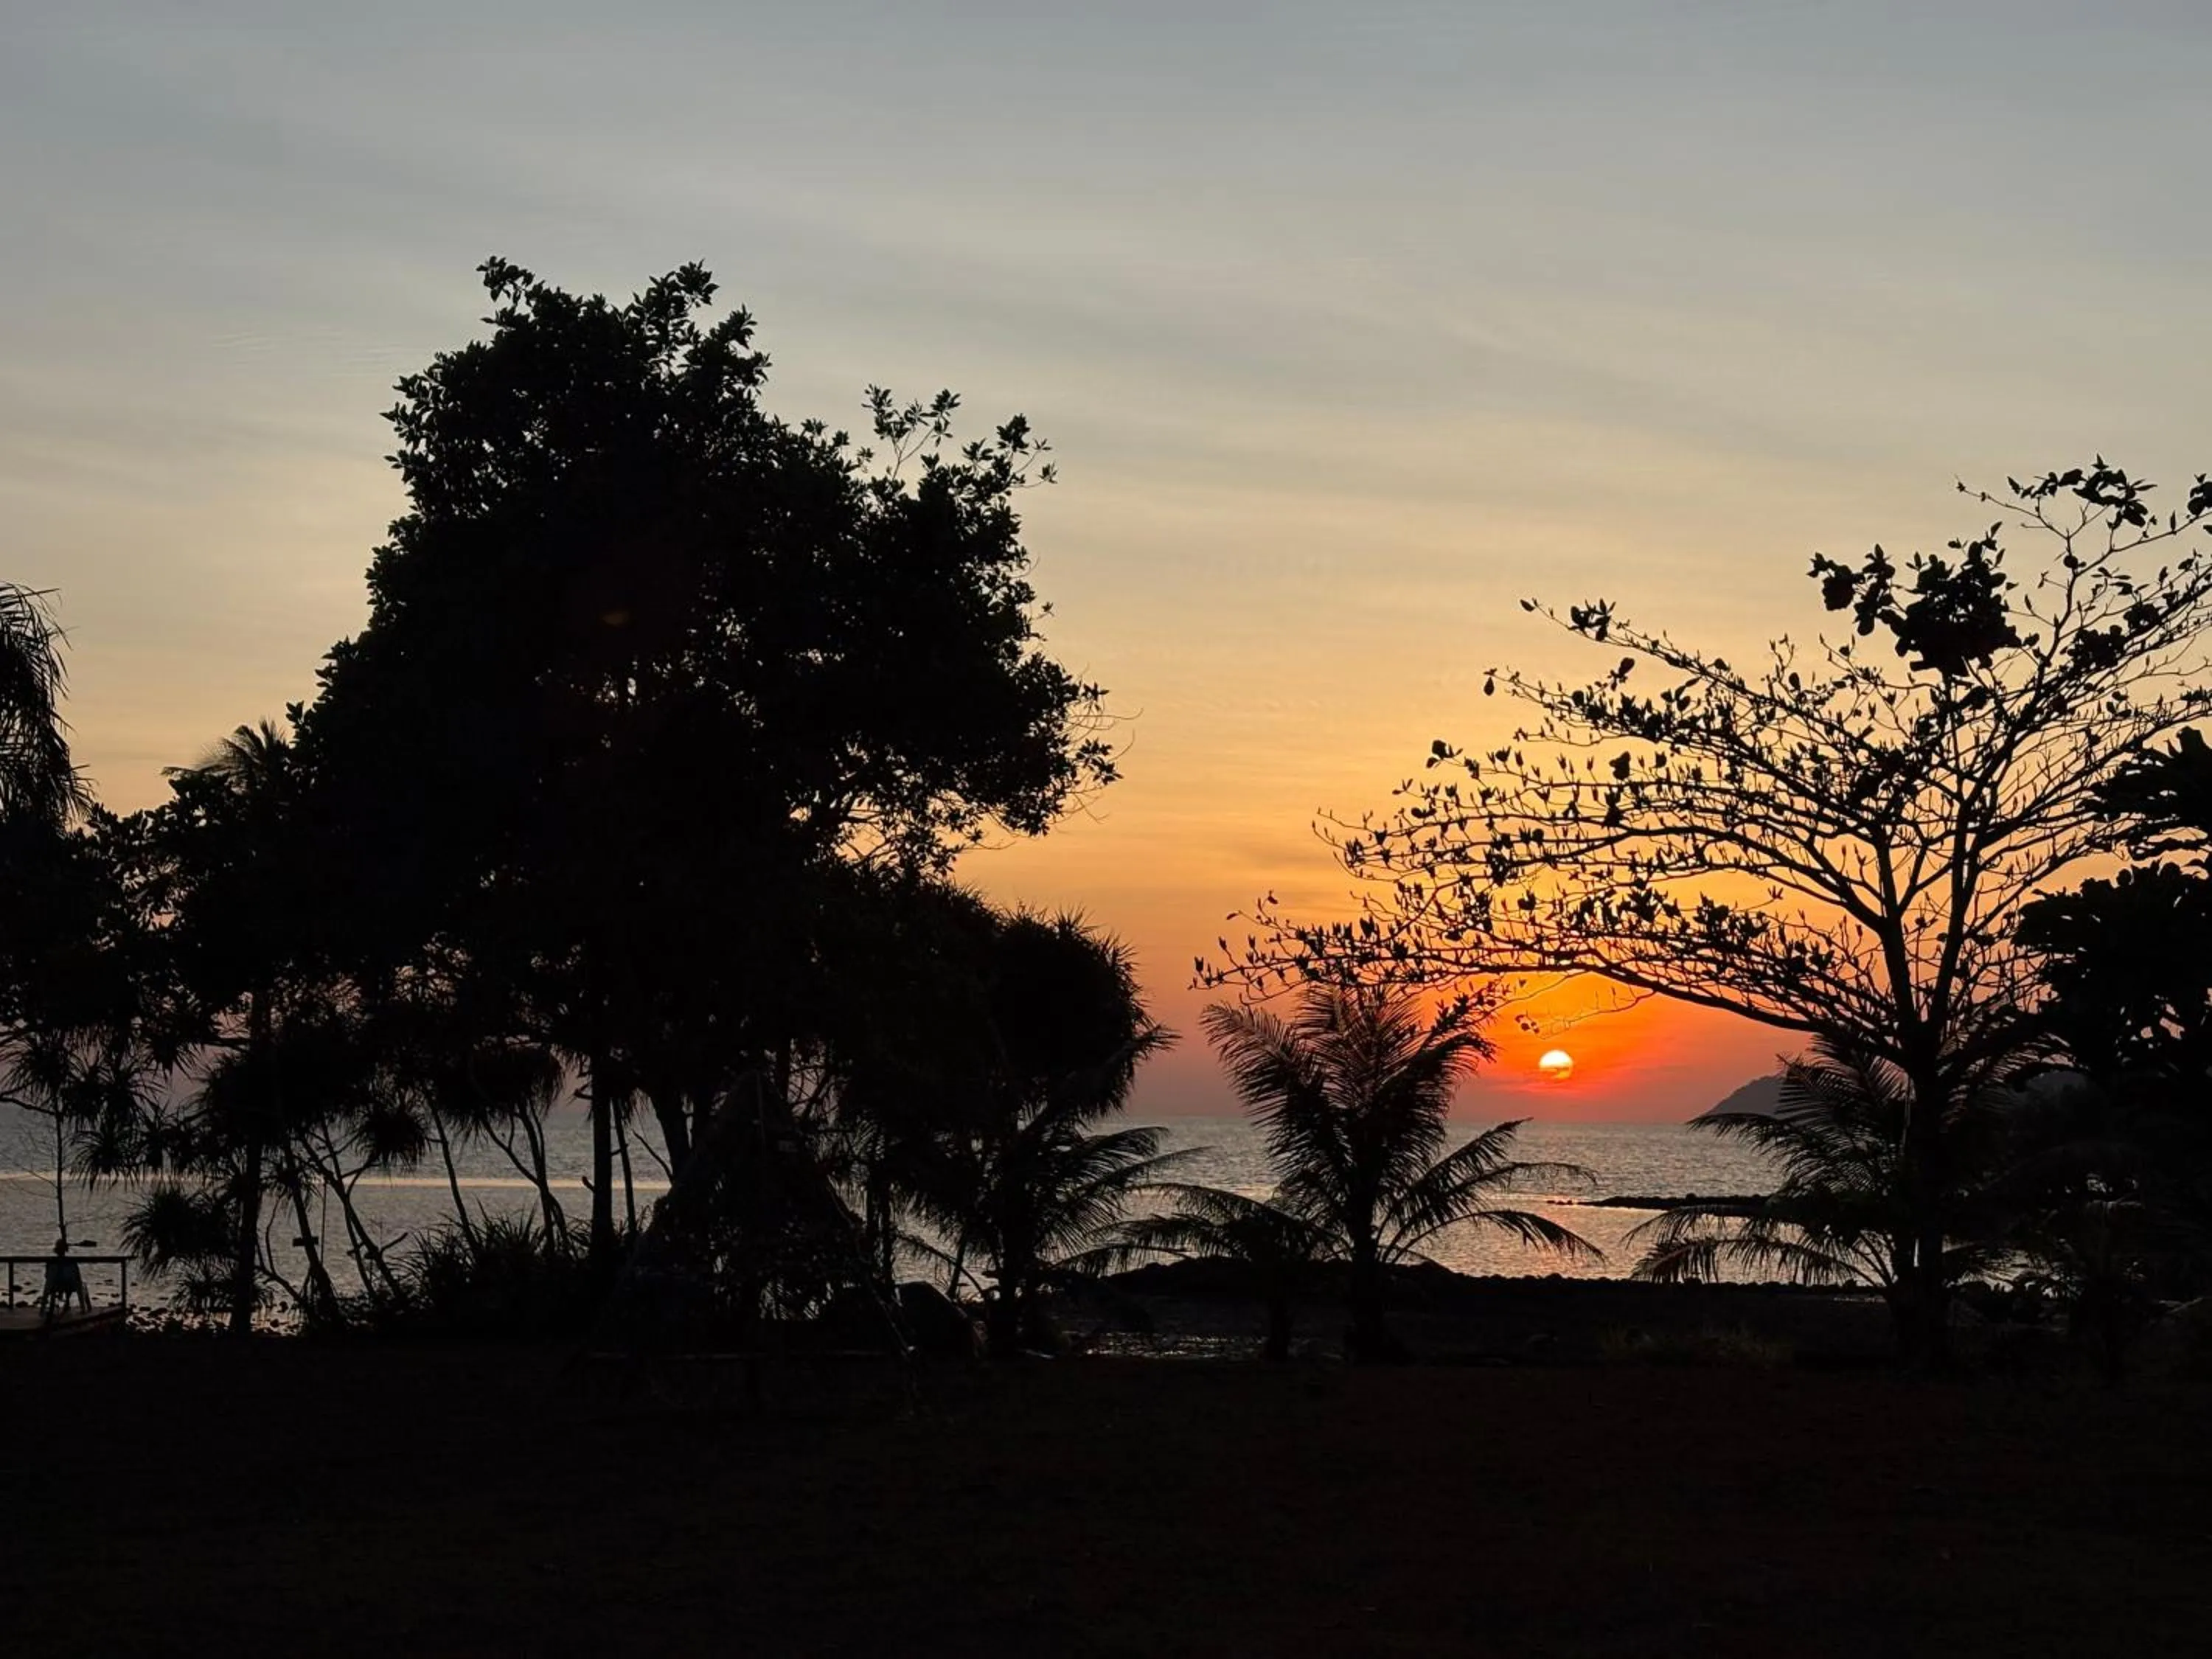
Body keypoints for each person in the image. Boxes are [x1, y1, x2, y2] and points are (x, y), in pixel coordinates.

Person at [41, 1238, 90, 1319]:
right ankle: (80, 1307)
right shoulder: (72, 1262)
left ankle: (45, 1309)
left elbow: (46, 1276)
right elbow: (77, 1276)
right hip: (71, 1285)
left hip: (55, 1285)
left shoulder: (50, 1262)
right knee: (77, 1284)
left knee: (64, 1283)